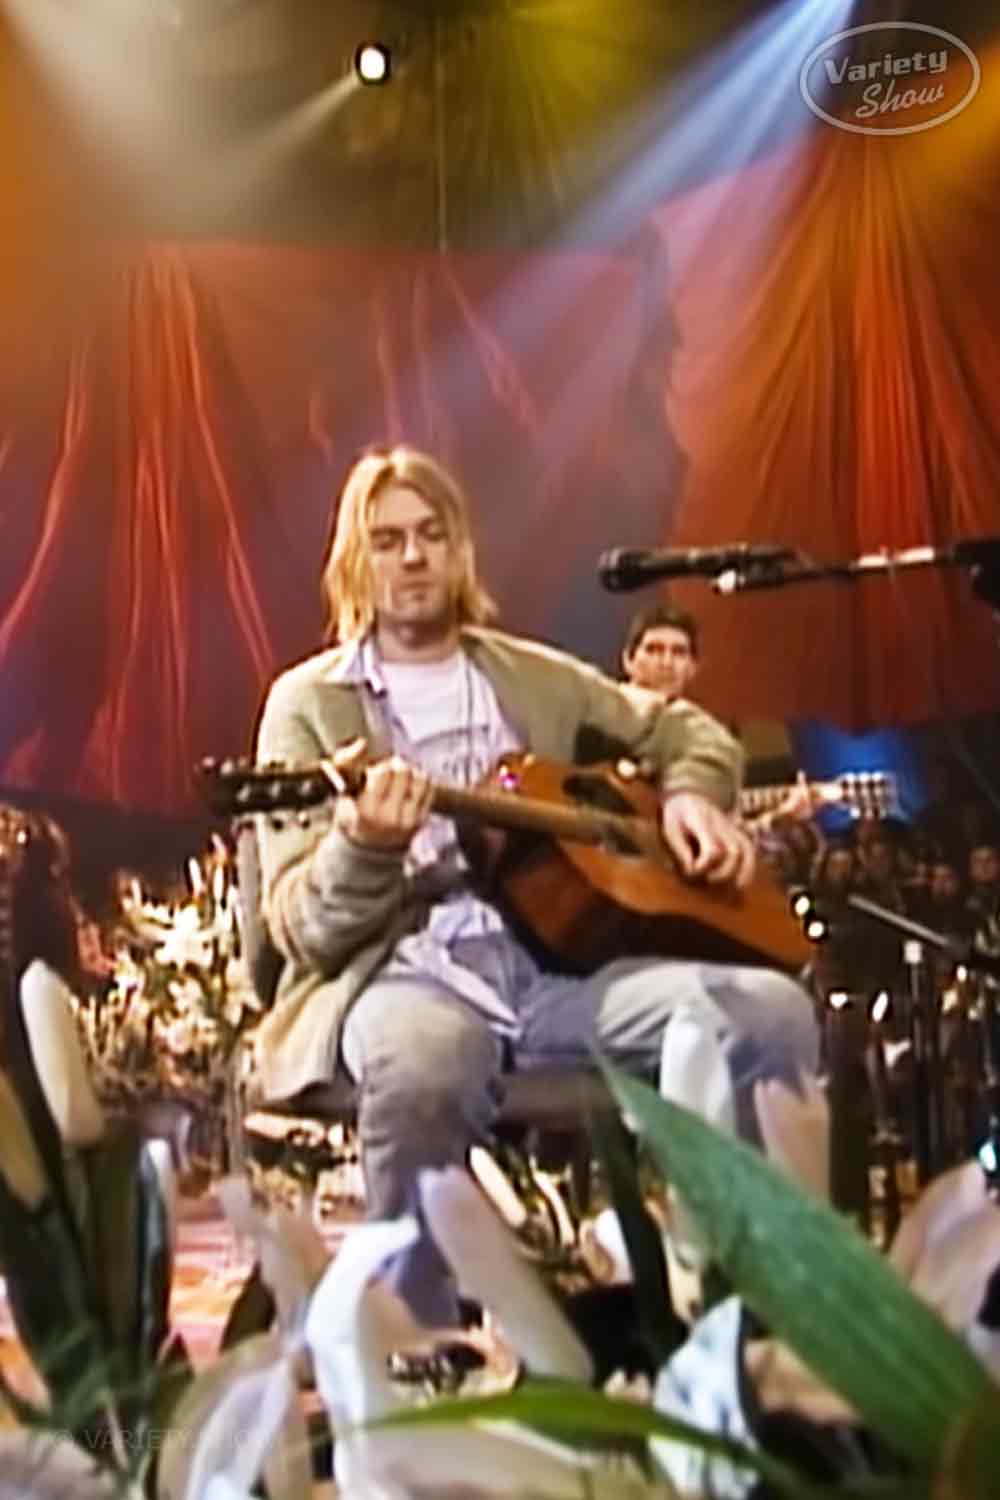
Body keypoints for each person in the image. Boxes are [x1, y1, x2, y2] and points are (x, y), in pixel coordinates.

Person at [253, 444, 820, 1328]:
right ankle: (420, 1347)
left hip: (558, 969)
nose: (412, 557)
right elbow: (300, 926)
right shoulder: (306, 707)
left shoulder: (530, 674)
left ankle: (755, 1315)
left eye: (431, 535)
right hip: (402, 973)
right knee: (426, 1067)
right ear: (355, 562)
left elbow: (689, 732)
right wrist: (364, 846)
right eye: (388, 540)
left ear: (460, 551)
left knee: (768, 1012)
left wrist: (691, 797)